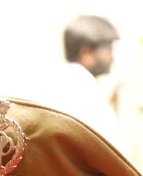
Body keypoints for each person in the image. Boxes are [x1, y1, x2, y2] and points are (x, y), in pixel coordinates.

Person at [33, 15, 125, 151]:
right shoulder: (85, 87)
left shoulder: (54, 81)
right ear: (86, 52)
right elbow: (115, 149)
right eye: (109, 49)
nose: (112, 57)